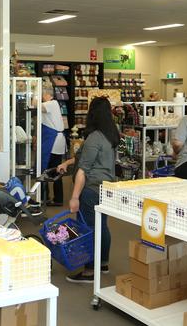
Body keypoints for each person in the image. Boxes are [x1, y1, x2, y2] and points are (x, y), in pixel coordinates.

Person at [56, 97, 119, 283]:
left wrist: (75, 196)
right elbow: (87, 157)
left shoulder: (94, 137)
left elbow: (84, 169)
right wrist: (67, 162)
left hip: (91, 189)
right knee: (102, 225)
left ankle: (90, 270)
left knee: (88, 228)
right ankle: (103, 262)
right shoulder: (110, 135)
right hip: (106, 188)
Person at [40, 86, 66, 206]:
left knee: (52, 170)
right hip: (54, 141)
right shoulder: (52, 104)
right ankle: (50, 197)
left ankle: (51, 198)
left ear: (47, 94)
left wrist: (33, 98)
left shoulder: (52, 103)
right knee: (53, 170)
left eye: (42, 94)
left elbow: (39, 107)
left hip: (54, 142)